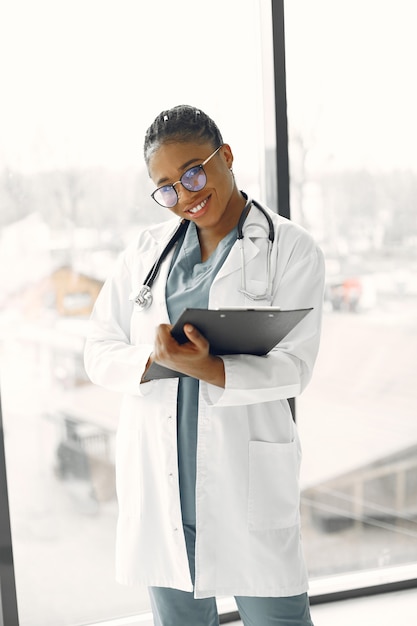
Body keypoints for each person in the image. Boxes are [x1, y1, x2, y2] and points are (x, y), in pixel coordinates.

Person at [84, 104, 325, 626]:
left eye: (194, 171)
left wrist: (208, 367)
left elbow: (294, 367)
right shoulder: (144, 253)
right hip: (164, 482)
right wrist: (154, 360)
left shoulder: (292, 250)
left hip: (246, 477)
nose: (185, 194)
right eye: (167, 186)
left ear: (227, 156)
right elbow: (98, 350)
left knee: (279, 619)